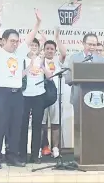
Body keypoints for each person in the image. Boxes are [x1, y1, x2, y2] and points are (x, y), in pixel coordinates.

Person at [0, 3, 39, 169]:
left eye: (17, 41)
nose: (15, 44)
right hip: (1, 95)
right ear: (4, 41)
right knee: (0, 126)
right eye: (12, 41)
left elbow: (30, 38)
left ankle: (12, 156)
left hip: (17, 95)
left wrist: (37, 23)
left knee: (15, 126)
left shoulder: (19, 54)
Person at [65, 33, 104, 141]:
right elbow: (68, 79)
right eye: (89, 44)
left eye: (94, 44)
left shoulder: (100, 60)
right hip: (79, 96)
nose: (92, 47)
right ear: (83, 44)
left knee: (93, 126)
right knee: (80, 125)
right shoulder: (74, 58)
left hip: (96, 98)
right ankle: (79, 154)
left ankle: (93, 151)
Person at [19, 37, 52, 164]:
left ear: (38, 48)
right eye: (31, 45)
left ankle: (34, 155)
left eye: (35, 46)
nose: (33, 47)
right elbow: (19, 76)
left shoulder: (41, 60)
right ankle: (22, 155)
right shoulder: (22, 59)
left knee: (37, 126)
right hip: (24, 95)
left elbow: (49, 77)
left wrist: (42, 65)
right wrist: (31, 63)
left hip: (39, 95)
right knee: (23, 126)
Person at [41, 28, 67, 159]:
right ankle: (44, 147)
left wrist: (57, 37)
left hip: (56, 96)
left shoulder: (58, 62)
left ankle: (55, 147)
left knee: (56, 122)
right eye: (47, 48)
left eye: (52, 49)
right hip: (42, 96)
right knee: (42, 123)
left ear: (54, 51)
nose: (50, 51)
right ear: (44, 50)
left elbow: (64, 53)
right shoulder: (39, 61)